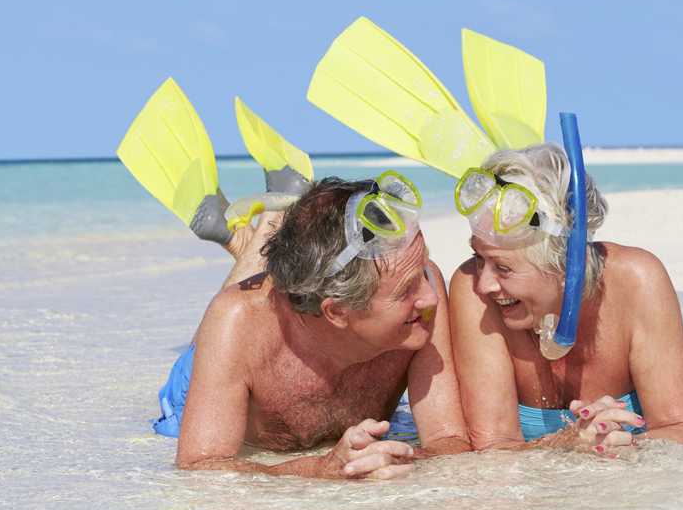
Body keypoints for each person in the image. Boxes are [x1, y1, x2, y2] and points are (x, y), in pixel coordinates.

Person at [160, 173, 472, 479]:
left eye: (424, 272)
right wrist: (318, 469)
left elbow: (450, 443)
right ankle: (263, 229)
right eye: (406, 290)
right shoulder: (238, 323)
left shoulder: (421, 296)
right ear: (337, 312)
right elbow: (200, 467)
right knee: (230, 309)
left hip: (309, 304)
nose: (431, 298)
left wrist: (387, 459)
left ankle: (266, 232)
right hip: (203, 373)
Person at [448, 143, 683, 455]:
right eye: (479, 257)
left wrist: (622, 445)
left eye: (503, 267)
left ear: (568, 264)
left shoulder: (637, 281)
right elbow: (492, 450)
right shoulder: (470, 290)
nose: (484, 285)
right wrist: (566, 444)